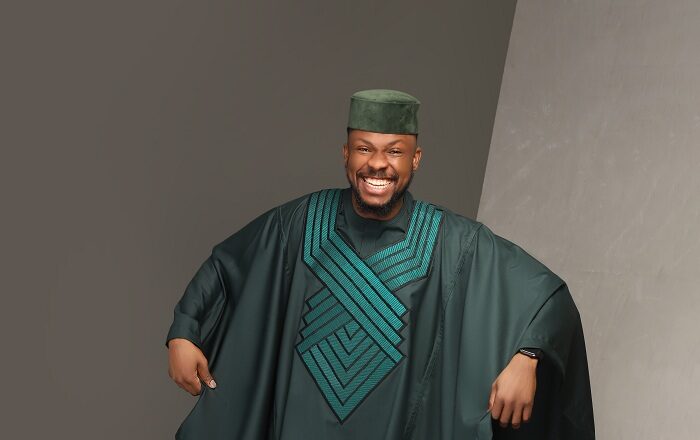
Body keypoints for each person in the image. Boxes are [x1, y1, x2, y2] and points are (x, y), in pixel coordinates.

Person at [165, 89, 595, 439]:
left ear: (416, 158)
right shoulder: (300, 224)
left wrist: (527, 355)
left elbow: (547, 298)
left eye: (394, 151)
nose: (377, 163)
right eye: (364, 148)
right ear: (345, 153)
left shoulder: (451, 242)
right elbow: (226, 268)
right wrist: (184, 333)